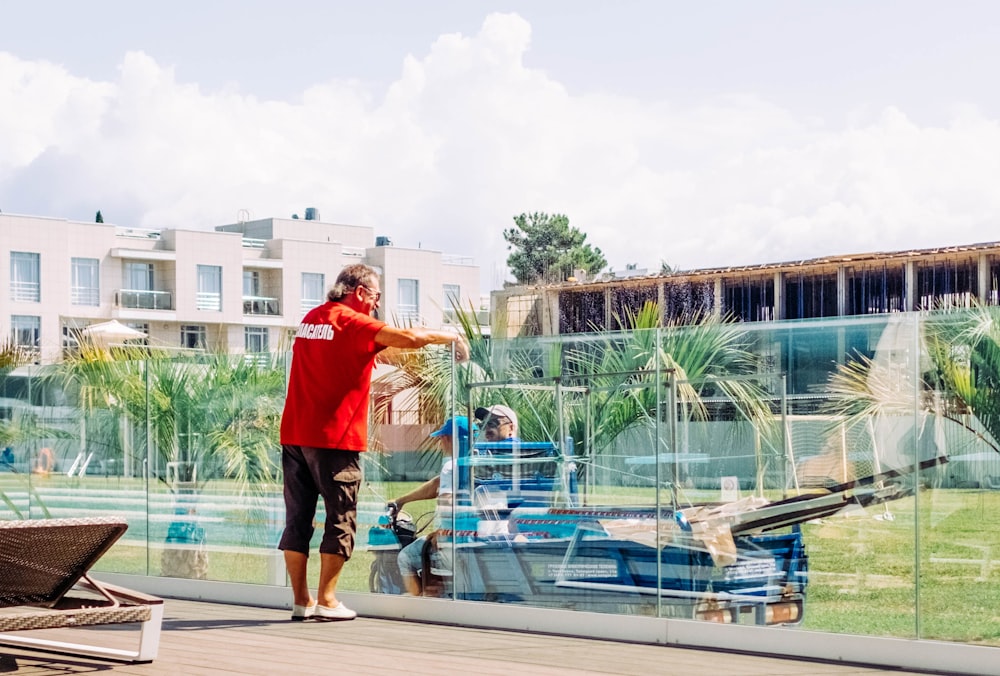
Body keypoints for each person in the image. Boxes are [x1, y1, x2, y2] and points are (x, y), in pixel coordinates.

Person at [278, 263, 469, 622]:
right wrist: (450, 337)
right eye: (376, 296)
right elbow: (409, 339)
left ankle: (301, 601)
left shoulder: (313, 319)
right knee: (340, 518)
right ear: (361, 292)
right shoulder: (353, 322)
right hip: (334, 439)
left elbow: (343, 356)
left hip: (294, 436)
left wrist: (375, 353)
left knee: (297, 520)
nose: (377, 305)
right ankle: (328, 600)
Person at [388, 416, 471, 596]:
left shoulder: (451, 465)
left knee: (405, 557)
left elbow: (447, 502)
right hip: (470, 537)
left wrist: (444, 531)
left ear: (447, 439)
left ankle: (417, 603)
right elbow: (436, 485)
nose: (440, 442)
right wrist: (401, 500)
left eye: (442, 437)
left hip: (452, 540)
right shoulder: (473, 462)